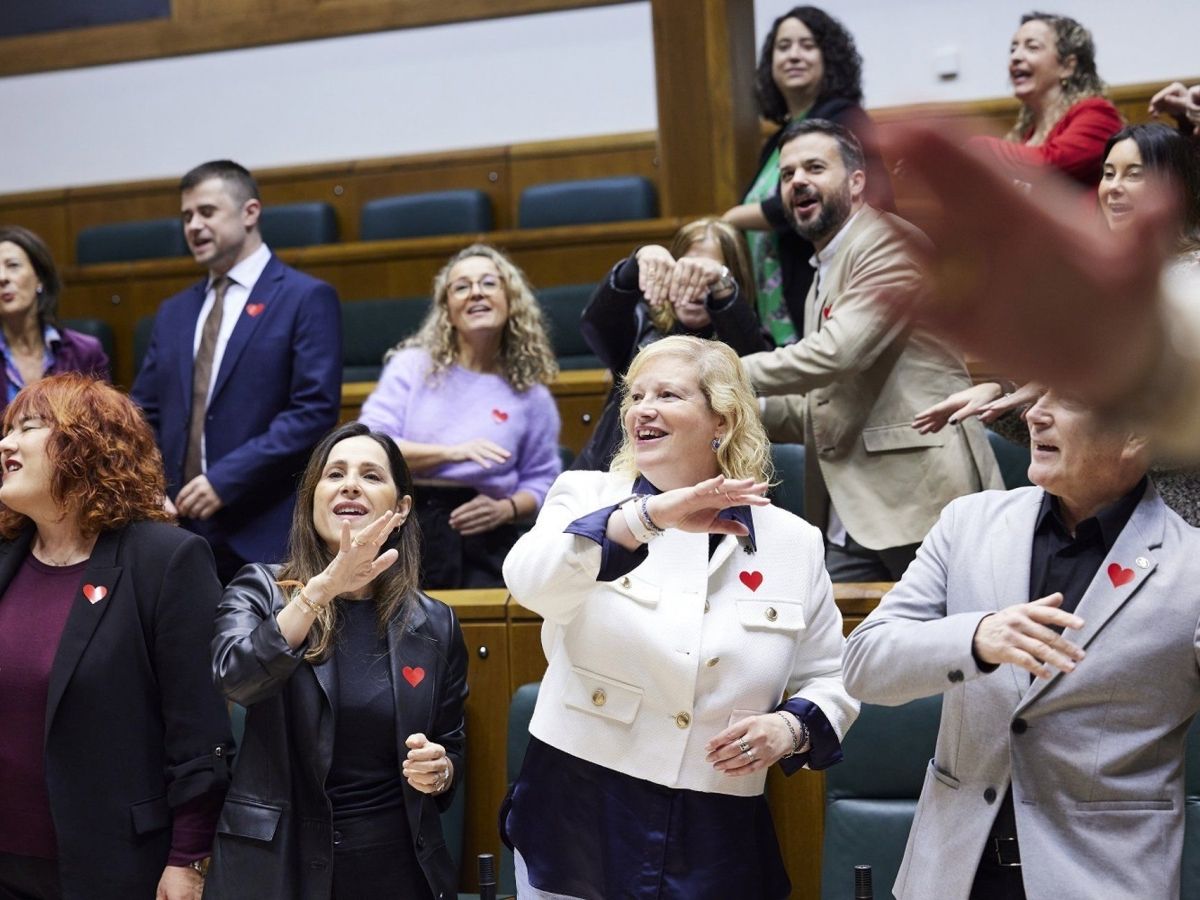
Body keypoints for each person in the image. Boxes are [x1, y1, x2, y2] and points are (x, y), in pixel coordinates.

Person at [501, 335, 858, 900]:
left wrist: (790, 730)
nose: (643, 409)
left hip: (717, 824)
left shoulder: (796, 541)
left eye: (667, 395)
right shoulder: (586, 495)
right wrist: (644, 519)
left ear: (722, 420)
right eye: (636, 396)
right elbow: (529, 582)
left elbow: (834, 676)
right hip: (581, 806)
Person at [843, 389, 1200, 899]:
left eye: (1068, 399)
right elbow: (863, 663)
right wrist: (974, 638)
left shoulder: (1192, 567)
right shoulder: (969, 523)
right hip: (950, 876)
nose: (1034, 413)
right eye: (1039, 394)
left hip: (1103, 880)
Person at [207, 422, 468, 900]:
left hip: (395, 868)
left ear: (401, 508)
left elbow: (450, 746)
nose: (350, 485)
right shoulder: (260, 590)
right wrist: (320, 591)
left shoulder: (435, 623)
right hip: (279, 867)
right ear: (311, 501)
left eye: (371, 475)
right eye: (335, 474)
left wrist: (440, 770)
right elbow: (237, 679)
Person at [0, 373, 233, 900]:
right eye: (8, 429)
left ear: (85, 444)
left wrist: (188, 858)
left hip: (114, 867)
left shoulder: (164, 560)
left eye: (28, 428)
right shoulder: (5, 557)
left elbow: (198, 731)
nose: (6, 443)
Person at [738, 119, 1001, 582]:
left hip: (920, 495)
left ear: (857, 182)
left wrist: (719, 372)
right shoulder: (827, 264)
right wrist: (740, 407)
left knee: (960, 625)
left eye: (815, 167)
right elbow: (824, 402)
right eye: (787, 173)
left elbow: (836, 355)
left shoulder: (888, 244)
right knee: (831, 625)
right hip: (857, 510)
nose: (797, 181)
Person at [914, 123, 1200, 521]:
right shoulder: (1094, 286)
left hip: (1176, 514)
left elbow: (1166, 433)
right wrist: (999, 400)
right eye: (1108, 173)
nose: (1114, 187)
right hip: (1094, 515)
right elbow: (1077, 425)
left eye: (1134, 174)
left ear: (1176, 187)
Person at [131, 160, 342, 584]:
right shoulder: (174, 312)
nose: (193, 226)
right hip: (177, 529)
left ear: (250, 213)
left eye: (207, 212)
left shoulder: (305, 297)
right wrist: (151, 486)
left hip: (265, 527)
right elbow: (142, 413)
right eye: (187, 216)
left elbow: (313, 410)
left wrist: (225, 480)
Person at [358, 244, 561, 589]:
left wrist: (508, 508)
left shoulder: (532, 395)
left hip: (486, 532)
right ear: (447, 311)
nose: (476, 293)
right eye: (462, 287)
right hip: (409, 523)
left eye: (489, 283)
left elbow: (542, 480)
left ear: (511, 301)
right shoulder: (412, 367)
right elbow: (371, 446)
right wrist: (454, 452)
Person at [723, 6, 893, 345]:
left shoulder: (845, 118)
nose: (794, 55)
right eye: (783, 47)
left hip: (828, 284)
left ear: (828, 57)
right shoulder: (777, 140)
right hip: (775, 301)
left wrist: (732, 218)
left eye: (807, 45)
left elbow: (806, 199)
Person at [573, 217, 771, 471]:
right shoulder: (641, 325)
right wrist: (635, 265)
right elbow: (595, 326)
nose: (693, 285)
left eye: (705, 275)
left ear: (733, 282)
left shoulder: (749, 336)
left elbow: (753, 374)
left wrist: (721, 287)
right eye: (685, 270)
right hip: (614, 475)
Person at [969, 11, 1121, 186]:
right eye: (1013, 49)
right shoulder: (1027, 134)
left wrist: (979, 146)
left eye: (1032, 47)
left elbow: (1049, 164)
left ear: (1067, 66)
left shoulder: (1098, 113)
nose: (1015, 57)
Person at [0, 226, 109, 416]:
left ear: (40, 278)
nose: (2, 278)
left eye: (13, 265)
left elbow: (104, 424)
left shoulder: (85, 352)